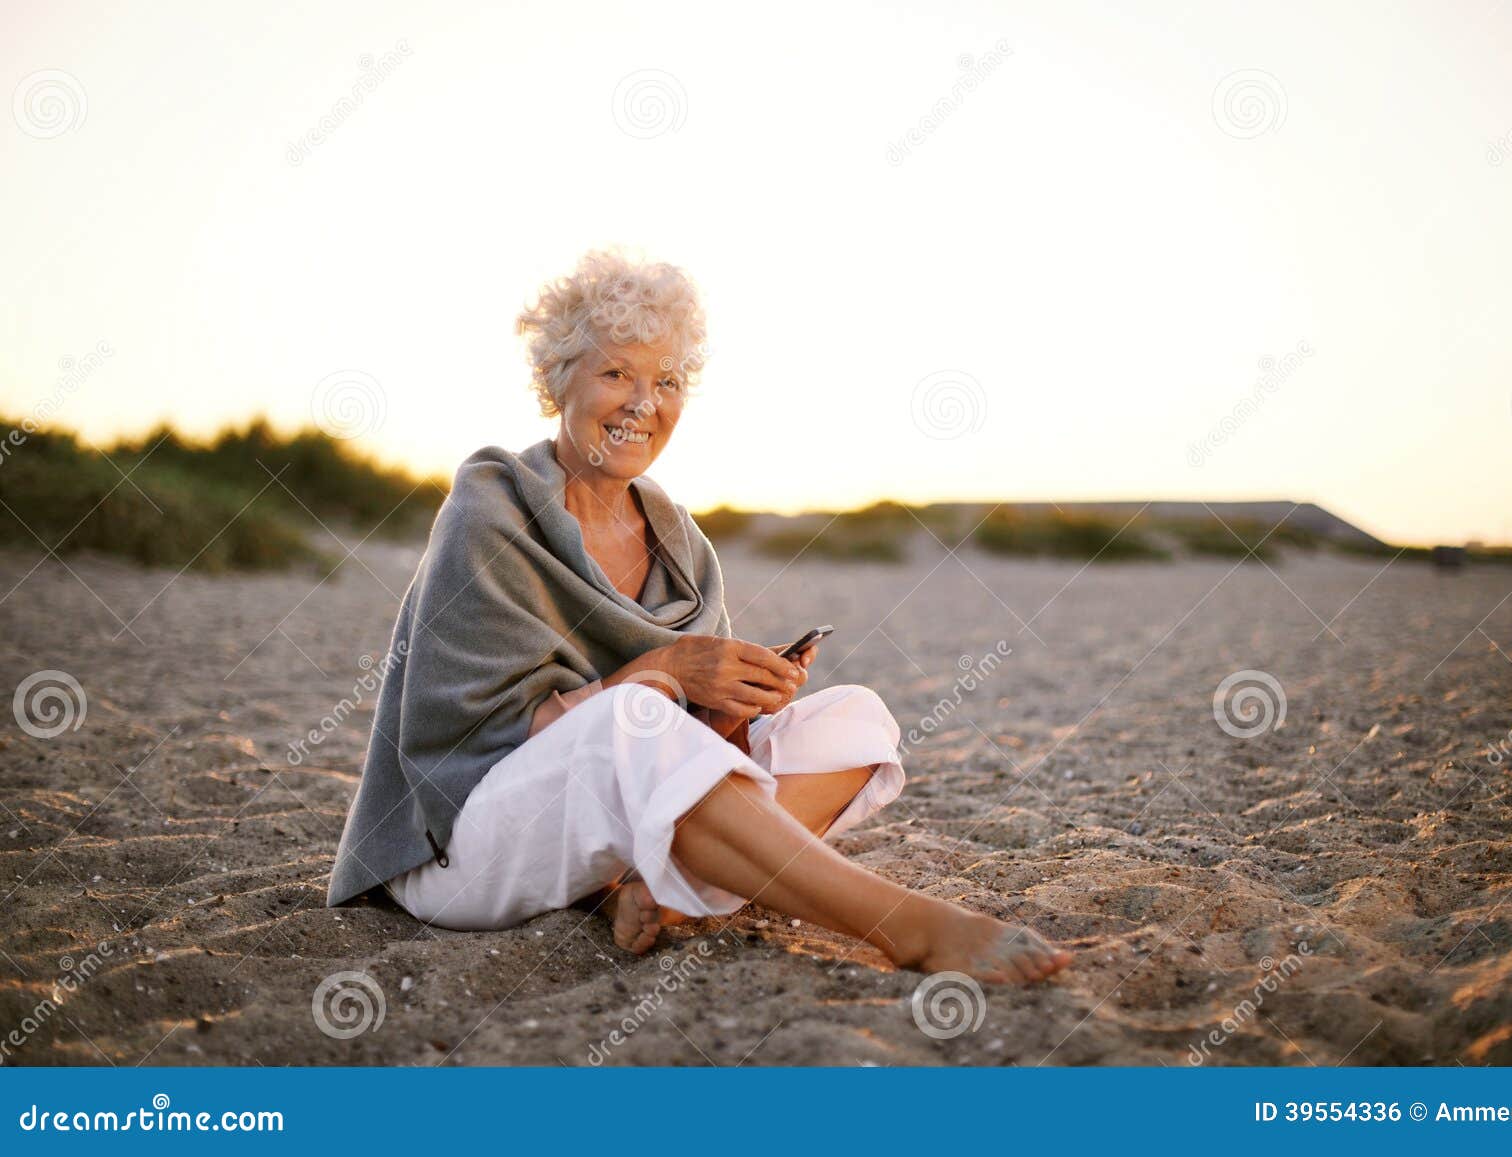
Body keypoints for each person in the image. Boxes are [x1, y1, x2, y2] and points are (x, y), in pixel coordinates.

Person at [326, 248, 1070, 984]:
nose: (643, 404)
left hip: (602, 825)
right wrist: (662, 672)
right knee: (634, 719)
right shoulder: (490, 511)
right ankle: (908, 926)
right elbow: (472, 736)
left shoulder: (683, 544)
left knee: (856, 719)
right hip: (459, 842)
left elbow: (693, 749)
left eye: (668, 381)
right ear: (560, 380)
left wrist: (738, 700)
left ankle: (646, 898)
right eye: (616, 372)